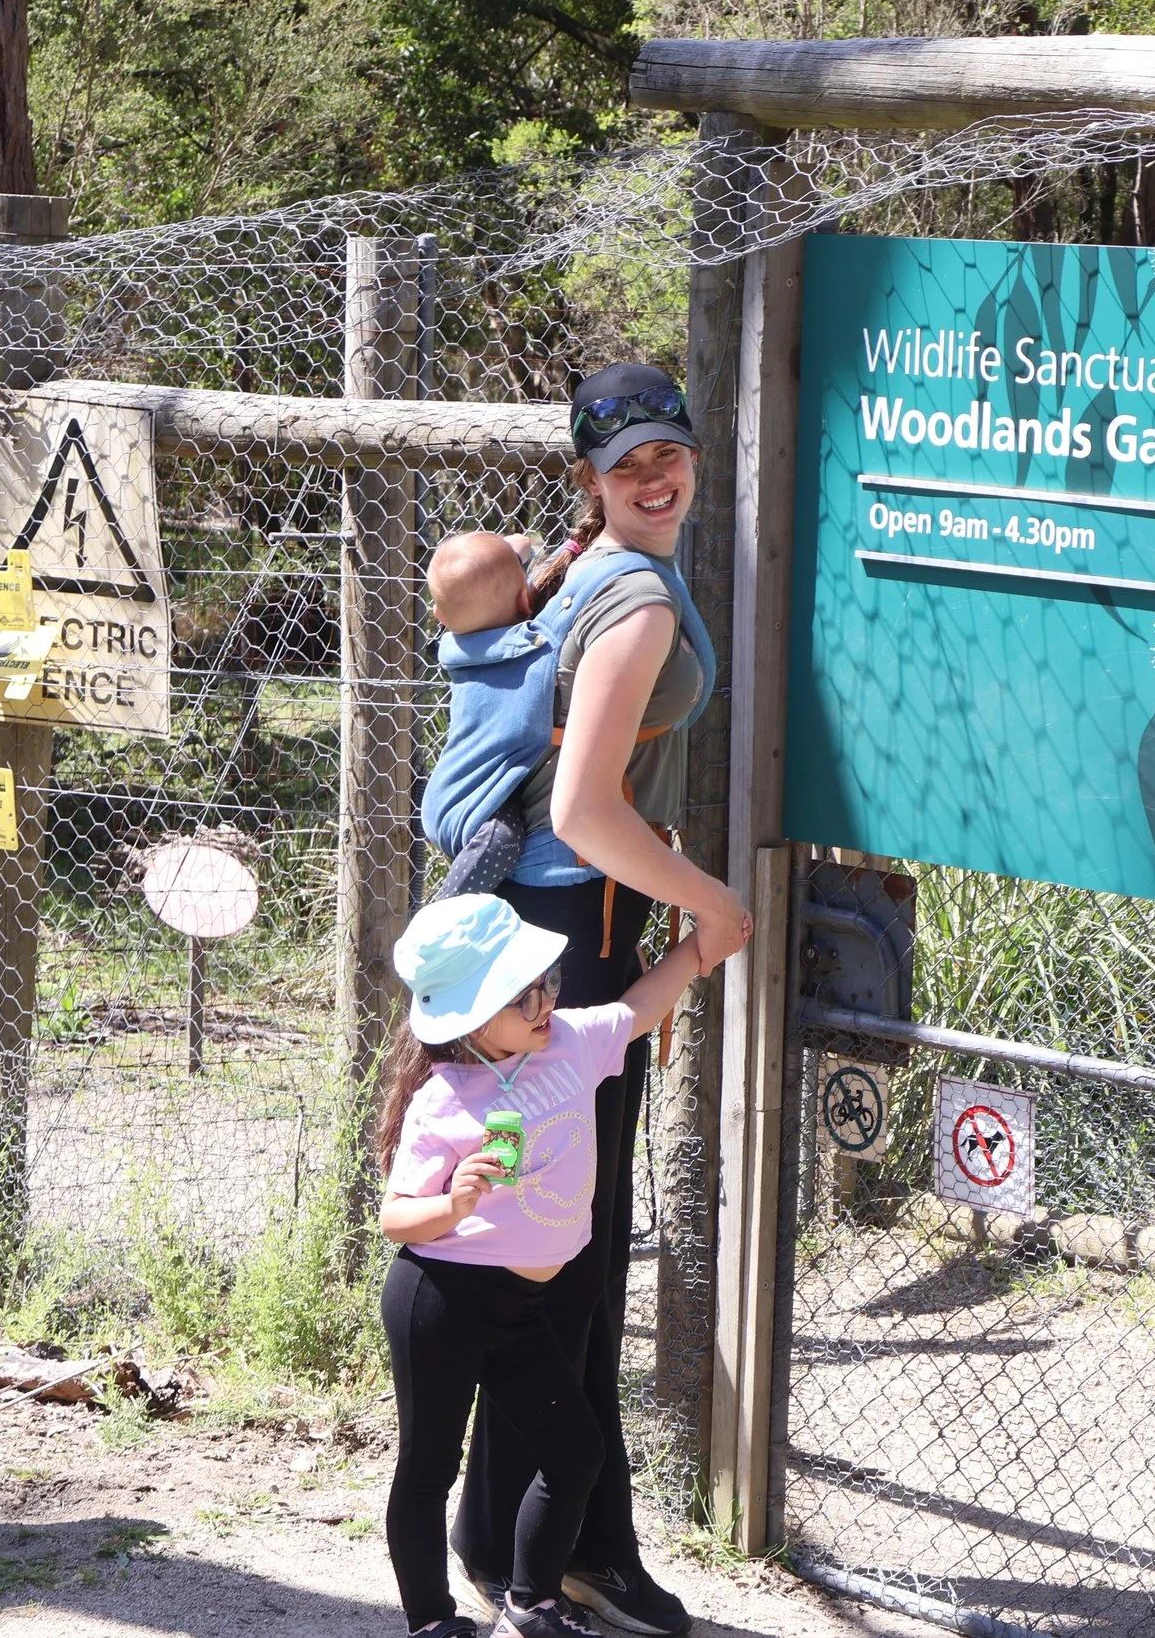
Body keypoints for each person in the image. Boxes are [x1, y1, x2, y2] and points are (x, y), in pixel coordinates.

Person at [454, 362, 752, 1637]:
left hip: (556, 924)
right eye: (625, 459)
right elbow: (583, 808)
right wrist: (709, 906)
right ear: (588, 475)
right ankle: (576, 1548)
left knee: (548, 1223)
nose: (653, 473)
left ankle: (509, 1526)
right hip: (582, 921)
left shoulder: (588, 570)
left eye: (666, 451)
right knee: (571, 1240)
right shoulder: (627, 596)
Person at [378, 892, 714, 1638]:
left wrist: (698, 949)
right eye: (523, 990)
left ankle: (530, 1602)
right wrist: (454, 1207)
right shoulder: (444, 1098)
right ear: (470, 1015)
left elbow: (639, 1008)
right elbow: (396, 1217)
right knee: (429, 1466)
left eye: (548, 978)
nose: (547, 997)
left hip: (521, 1308)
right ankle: (431, 1621)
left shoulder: (571, 1042)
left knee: (576, 1451)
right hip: (440, 1295)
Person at [425, 531, 547, 899]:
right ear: (526, 599)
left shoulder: (457, 647)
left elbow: (502, 561)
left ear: (439, 615)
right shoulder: (531, 653)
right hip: (482, 806)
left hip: (444, 790)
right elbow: (518, 553)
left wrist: (513, 552)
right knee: (504, 841)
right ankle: (442, 915)